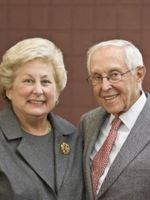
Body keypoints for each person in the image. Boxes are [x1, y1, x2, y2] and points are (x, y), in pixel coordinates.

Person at [0, 37, 84, 200]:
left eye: (45, 82)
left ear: (57, 91)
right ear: (9, 89)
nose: (38, 90)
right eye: (28, 81)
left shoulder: (73, 137)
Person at [79, 39, 150, 200]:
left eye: (114, 75)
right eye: (97, 77)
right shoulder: (88, 122)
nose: (105, 86)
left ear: (139, 74)